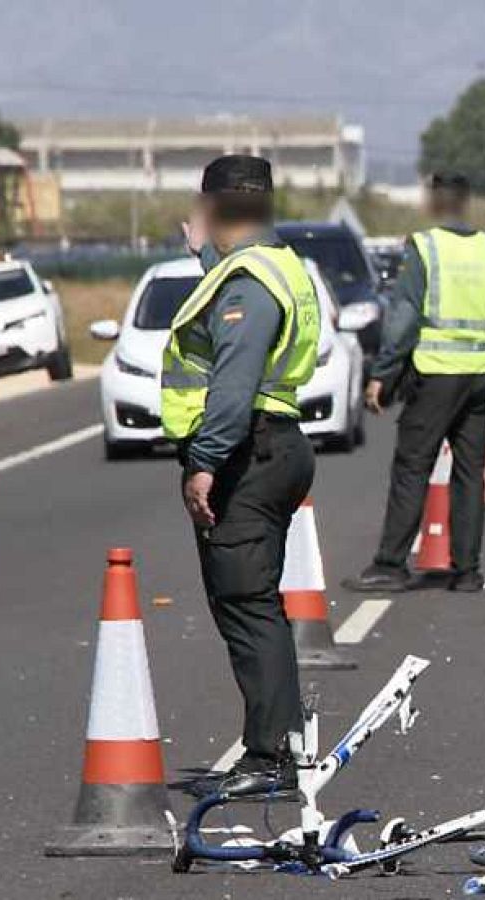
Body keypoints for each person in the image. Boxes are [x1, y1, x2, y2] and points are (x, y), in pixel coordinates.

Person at [162, 155, 321, 796]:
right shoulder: (270, 264)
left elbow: (233, 381)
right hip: (272, 445)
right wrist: (204, 255)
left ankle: (271, 756)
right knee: (253, 604)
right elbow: (232, 313)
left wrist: (204, 462)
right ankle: (276, 744)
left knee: (249, 607)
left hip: (247, 452)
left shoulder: (251, 278)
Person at [346, 172, 485, 595]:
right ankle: (467, 571)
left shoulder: (425, 248)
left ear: (433, 203)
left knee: (413, 467)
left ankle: (390, 565)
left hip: (436, 373)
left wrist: (384, 374)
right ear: (464, 203)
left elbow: (403, 318)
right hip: (483, 373)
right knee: (470, 472)